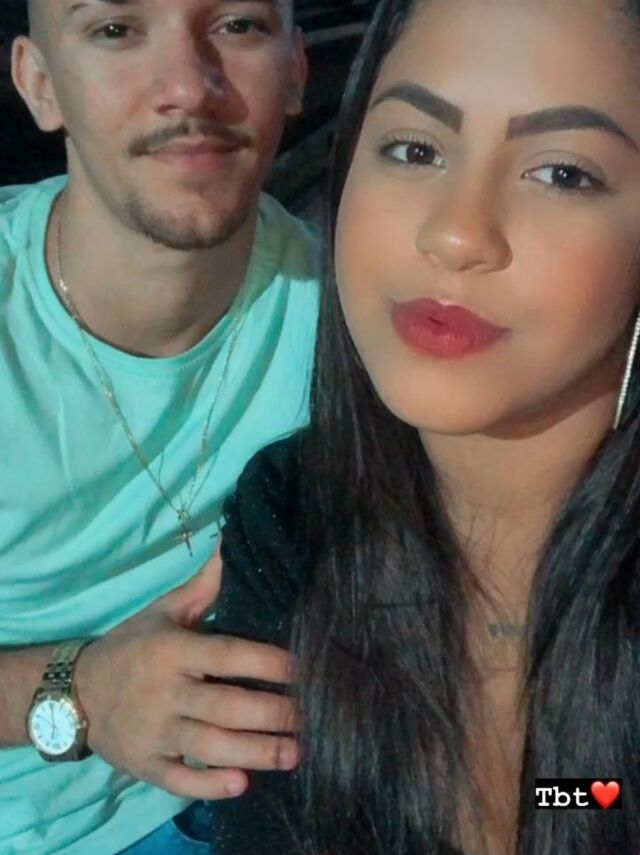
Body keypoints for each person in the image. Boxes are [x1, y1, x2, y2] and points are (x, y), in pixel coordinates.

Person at [190, 0, 640, 852]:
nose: (457, 233)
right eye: (415, 149)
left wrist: (570, 798)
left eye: (562, 173)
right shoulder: (296, 512)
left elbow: (597, 796)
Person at [0, 0, 319, 852]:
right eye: (115, 30)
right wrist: (81, 691)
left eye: (239, 25)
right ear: (39, 84)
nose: (188, 86)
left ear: (296, 70)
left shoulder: (352, 317)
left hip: (274, 793)